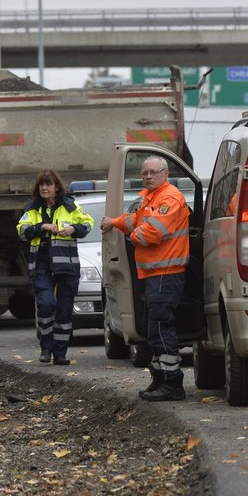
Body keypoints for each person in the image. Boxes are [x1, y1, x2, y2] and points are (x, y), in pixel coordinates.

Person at [100, 155, 189, 401]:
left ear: (165, 174)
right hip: (154, 274)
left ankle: (173, 384)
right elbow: (134, 220)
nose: (148, 176)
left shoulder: (169, 197)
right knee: (153, 329)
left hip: (165, 274)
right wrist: (114, 223)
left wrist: (133, 236)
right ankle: (160, 378)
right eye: (144, 173)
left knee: (160, 327)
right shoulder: (150, 197)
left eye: (153, 172)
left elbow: (152, 232)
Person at [17, 169, 94, 365]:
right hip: (41, 262)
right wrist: (41, 227)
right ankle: (46, 349)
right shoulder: (32, 209)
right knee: (46, 304)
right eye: (41, 185)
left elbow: (88, 223)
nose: (44, 188)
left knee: (64, 311)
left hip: (66, 265)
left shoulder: (70, 206)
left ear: (56, 187)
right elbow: (22, 231)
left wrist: (73, 229)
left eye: (48, 184)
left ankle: (60, 354)